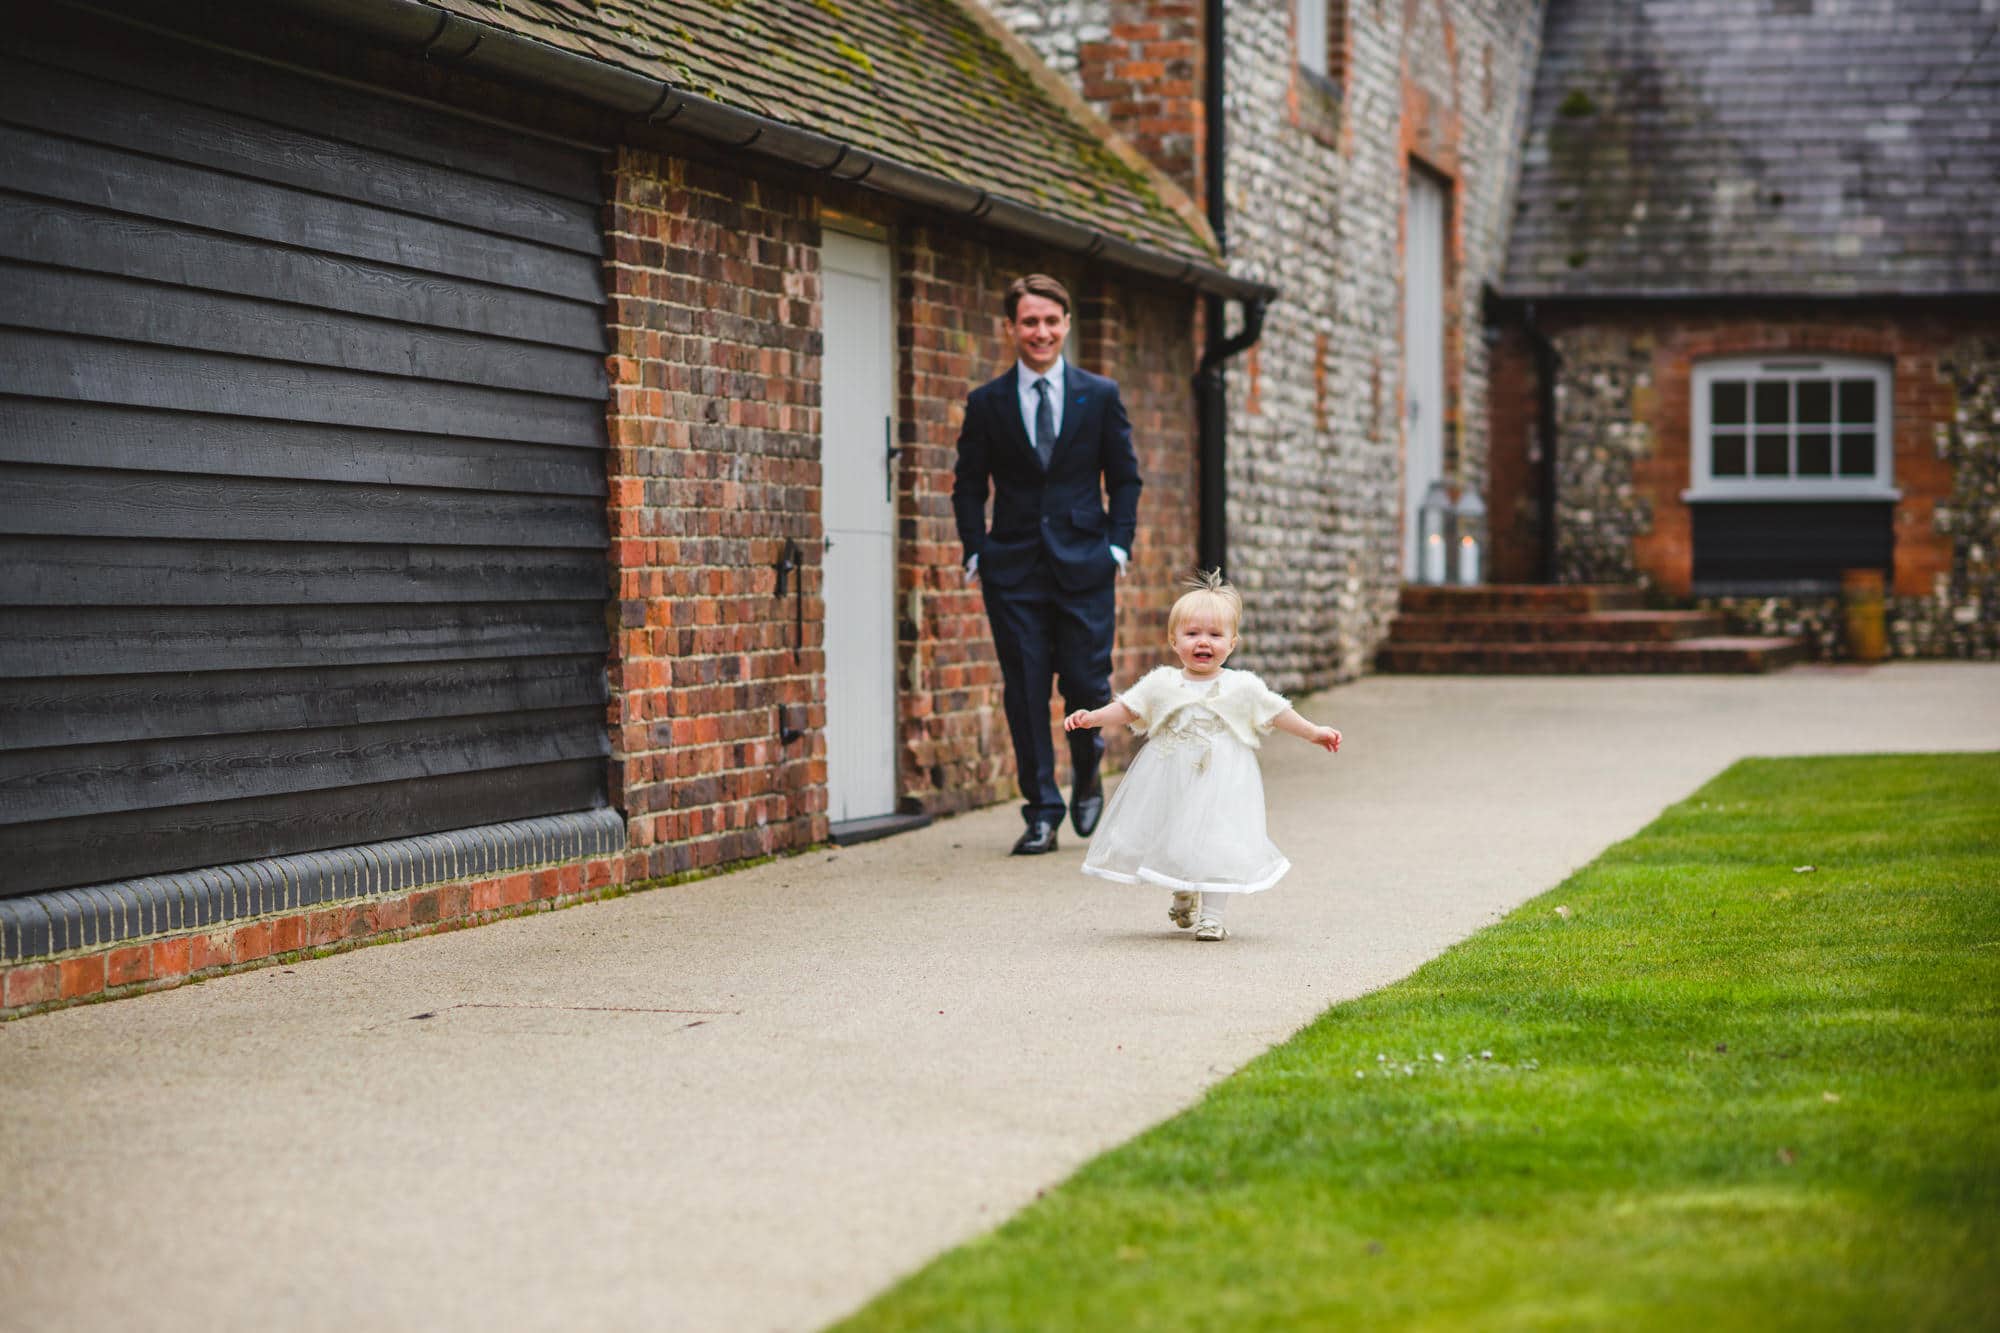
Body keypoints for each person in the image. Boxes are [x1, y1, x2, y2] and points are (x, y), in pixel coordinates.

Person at [954, 274, 1141, 855]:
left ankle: (1087, 769)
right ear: (1011, 328)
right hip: (1012, 570)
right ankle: (1040, 811)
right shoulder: (986, 403)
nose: (1041, 332)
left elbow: (1126, 477)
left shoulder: (1100, 395)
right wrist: (976, 549)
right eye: (1029, 321)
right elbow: (967, 485)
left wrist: (1117, 546)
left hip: (1086, 565)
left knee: (1086, 684)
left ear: (1066, 326)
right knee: (1027, 689)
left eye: (1051, 321)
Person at [1063, 571, 1341, 940]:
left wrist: (1313, 732)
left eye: (1215, 635)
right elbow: (1130, 708)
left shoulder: (1241, 685)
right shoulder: (1163, 682)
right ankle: (1182, 885)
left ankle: (1212, 916)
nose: (1203, 643)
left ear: (1232, 642)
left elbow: (1276, 711)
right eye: (1192, 634)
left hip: (1224, 777)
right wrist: (1093, 718)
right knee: (1173, 832)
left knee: (1219, 839)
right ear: (1174, 641)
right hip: (1169, 772)